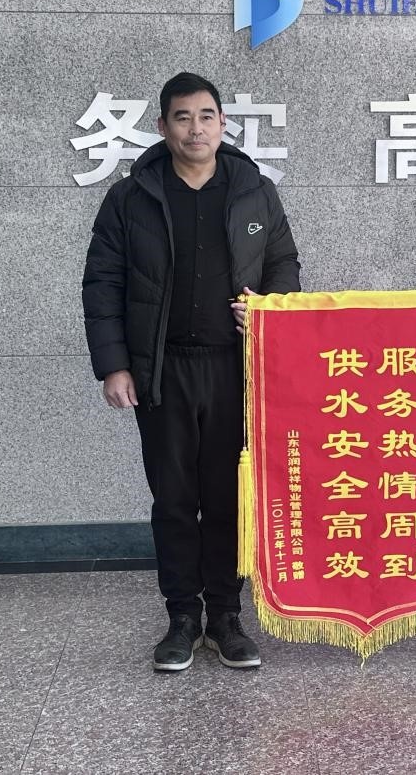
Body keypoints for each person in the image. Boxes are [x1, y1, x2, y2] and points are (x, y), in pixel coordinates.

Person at [82, 72, 301, 672]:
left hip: (235, 369)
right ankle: (181, 618)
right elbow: (103, 282)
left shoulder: (254, 190)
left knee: (229, 497)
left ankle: (226, 617)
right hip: (162, 370)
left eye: (206, 116)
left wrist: (267, 306)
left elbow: (284, 262)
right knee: (174, 499)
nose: (195, 128)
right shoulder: (132, 197)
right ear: (162, 126)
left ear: (223, 124)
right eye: (182, 117)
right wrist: (114, 366)